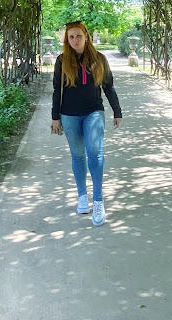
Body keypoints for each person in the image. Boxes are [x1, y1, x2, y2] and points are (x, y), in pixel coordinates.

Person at [51, 21, 122, 226]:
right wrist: (55, 117)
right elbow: (57, 90)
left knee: (95, 153)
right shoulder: (62, 60)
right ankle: (82, 196)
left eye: (78, 36)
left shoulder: (99, 59)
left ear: (86, 36)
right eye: (71, 37)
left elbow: (109, 87)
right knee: (78, 156)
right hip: (69, 114)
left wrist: (117, 111)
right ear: (67, 39)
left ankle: (98, 201)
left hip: (94, 112)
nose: (75, 40)